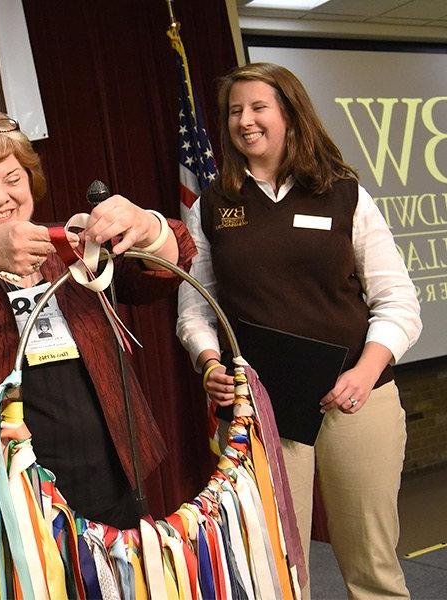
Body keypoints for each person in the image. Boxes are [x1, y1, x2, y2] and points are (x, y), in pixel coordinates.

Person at [0, 111, 196, 599]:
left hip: (105, 492)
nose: (1, 195)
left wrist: (146, 224)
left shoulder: (69, 251)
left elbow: (169, 262)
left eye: (12, 178)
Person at [176, 63, 422, 600]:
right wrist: (209, 362)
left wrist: (364, 372)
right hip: (263, 406)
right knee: (278, 571)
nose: (245, 121)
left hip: (356, 398)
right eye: (235, 111)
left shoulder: (345, 196)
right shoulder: (213, 205)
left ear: (290, 115)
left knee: (373, 567)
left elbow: (398, 300)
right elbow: (195, 308)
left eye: (259, 107)